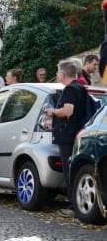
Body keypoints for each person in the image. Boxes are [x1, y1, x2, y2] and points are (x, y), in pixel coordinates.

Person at [46, 59, 88, 218]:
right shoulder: (80, 87)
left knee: (69, 172)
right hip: (76, 133)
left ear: (63, 74)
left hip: (67, 136)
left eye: (57, 72)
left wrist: (53, 112)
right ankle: (77, 204)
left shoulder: (70, 89)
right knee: (74, 171)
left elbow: (68, 111)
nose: (57, 75)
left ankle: (73, 207)